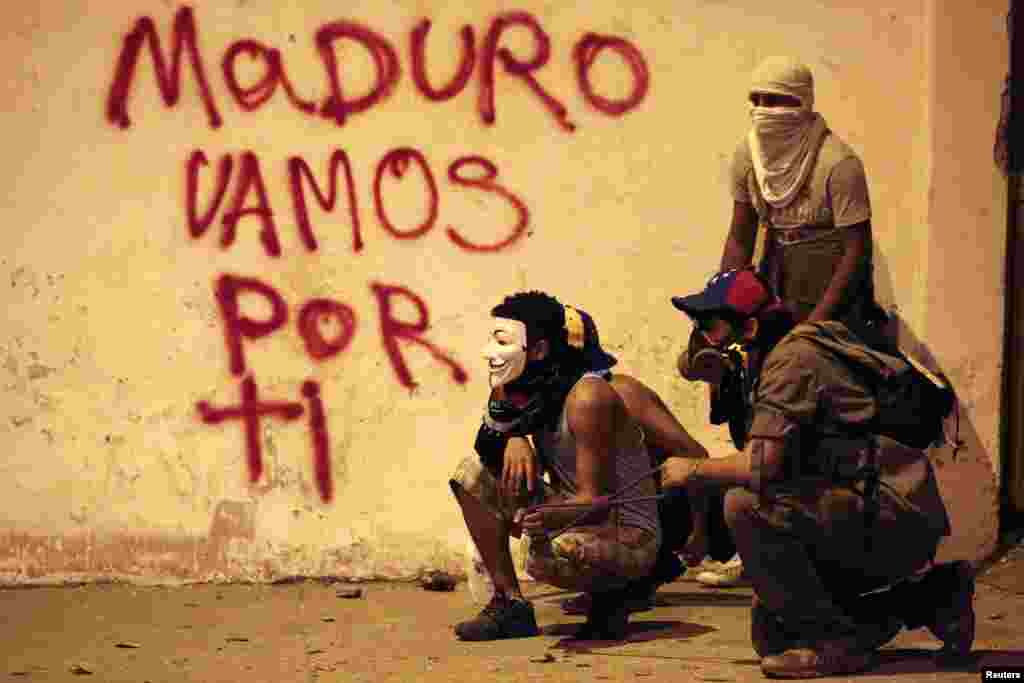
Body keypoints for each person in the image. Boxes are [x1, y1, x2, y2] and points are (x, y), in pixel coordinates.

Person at [662, 268, 975, 678]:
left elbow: (760, 466)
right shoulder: (779, 354)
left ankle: (837, 644)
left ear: (750, 326)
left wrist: (693, 469)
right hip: (877, 509)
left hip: (888, 513)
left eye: (709, 326)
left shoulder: (792, 360)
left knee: (744, 505)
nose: (704, 337)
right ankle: (933, 597)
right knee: (773, 633)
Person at [693, 54, 892, 589]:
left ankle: (822, 544)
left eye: (778, 100)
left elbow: (856, 251)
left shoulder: (837, 163)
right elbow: (741, 232)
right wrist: (721, 303)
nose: (765, 111)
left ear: (803, 103)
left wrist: (818, 324)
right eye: (756, 99)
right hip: (776, 284)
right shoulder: (748, 156)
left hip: (830, 294)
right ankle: (751, 543)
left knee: (819, 415)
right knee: (755, 402)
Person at [450, 292, 664, 640]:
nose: (488, 351)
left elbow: (598, 504)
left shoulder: (587, 397)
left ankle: (613, 595)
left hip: (623, 533)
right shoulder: (529, 389)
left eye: (501, 341)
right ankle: (510, 605)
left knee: (546, 557)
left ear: (538, 351)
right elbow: (486, 448)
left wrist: (545, 517)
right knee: (470, 477)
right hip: (570, 513)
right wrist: (515, 436)